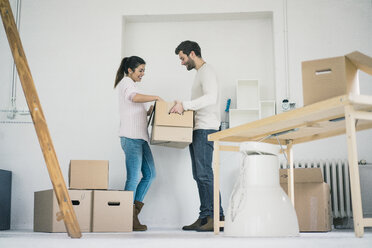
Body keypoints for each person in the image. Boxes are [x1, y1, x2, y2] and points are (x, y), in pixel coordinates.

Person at [170, 40, 224, 232]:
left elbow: (211, 98)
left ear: (192, 54)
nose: (182, 62)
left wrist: (184, 104)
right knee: (199, 175)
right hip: (197, 128)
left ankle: (215, 217)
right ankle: (205, 216)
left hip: (206, 128)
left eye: (183, 58)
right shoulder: (200, 74)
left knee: (204, 174)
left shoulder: (207, 71)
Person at [114, 56, 162, 231]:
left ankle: (132, 214)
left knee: (151, 175)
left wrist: (150, 111)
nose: (143, 74)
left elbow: (134, 108)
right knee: (133, 177)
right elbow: (133, 98)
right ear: (130, 70)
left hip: (141, 139)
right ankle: (127, 218)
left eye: (144, 71)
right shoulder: (126, 82)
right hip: (131, 138)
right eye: (140, 70)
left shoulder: (132, 84)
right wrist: (155, 97)